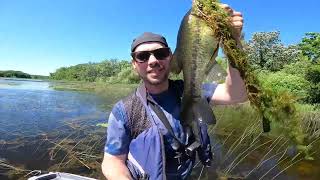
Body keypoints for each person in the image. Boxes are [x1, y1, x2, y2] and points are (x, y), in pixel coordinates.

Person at [101, 4, 247, 180]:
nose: (153, 61)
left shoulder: (189, 90)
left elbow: (237, 94)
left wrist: (234, 42)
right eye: (143, 56)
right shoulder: (124, 110)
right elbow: (112, 162)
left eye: (160, 53)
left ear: (171, 57)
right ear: (134, 64)